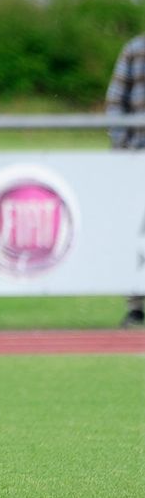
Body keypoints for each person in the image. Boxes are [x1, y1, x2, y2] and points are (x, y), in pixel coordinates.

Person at [104, 33, 145, 328]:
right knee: (135, 232)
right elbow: (116, 101)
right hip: (138, 157)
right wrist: (123, 147)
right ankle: (136, 305)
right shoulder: (135, 48)